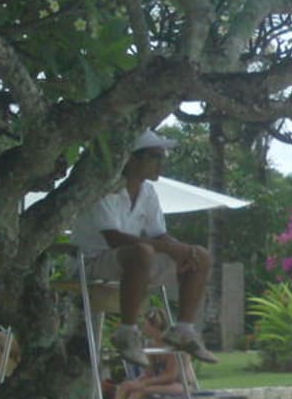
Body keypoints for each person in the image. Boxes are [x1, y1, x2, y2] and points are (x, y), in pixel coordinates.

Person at [71, 129, 217, 368]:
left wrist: (183, 251)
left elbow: (158, 233)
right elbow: (114, 239)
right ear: (132, 159)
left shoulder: (148, 191)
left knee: (200, 256)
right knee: (142, 252)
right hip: (91, 262)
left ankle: (184, 330)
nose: (161, 163)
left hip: (133, 263)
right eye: (155, 156)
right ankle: (127, 332)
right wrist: (169, 248)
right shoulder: (105, 189)